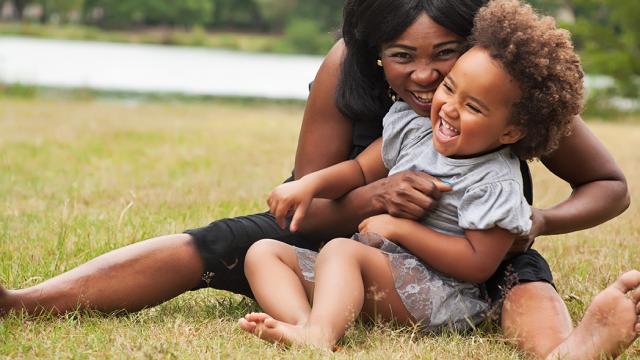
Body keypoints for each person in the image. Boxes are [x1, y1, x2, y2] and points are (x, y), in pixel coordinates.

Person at [0, 0, 636, 358]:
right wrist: (373, 198)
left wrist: (534, 223)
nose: (426, 79)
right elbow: (304, 210)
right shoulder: (351, 70)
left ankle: (569, 350)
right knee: (231, 241)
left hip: (477, 243)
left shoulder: (502, 75)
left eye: (445, 54)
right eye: (402, 58)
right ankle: (25, 304)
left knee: (520, 283)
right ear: (372, 51)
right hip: (357, 230)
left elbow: (608, 185)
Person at [236, 1, 636, 354]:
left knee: (341, 251)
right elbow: (359, 169)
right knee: (263, 252)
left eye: (473, 106)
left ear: (511, 131)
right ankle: (309, 327)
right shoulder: (415, 127)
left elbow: (478, 265)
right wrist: (308, 184)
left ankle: (319, 333)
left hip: (439, 293)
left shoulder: (495, 183)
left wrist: (400, 229)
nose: (447, 107)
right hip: (382, 272)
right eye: (450, 87)